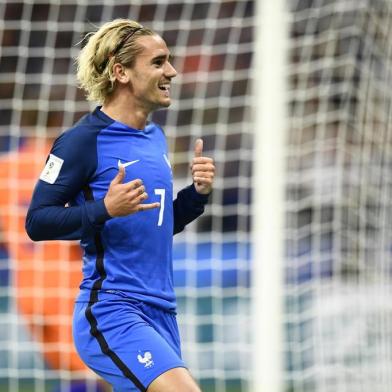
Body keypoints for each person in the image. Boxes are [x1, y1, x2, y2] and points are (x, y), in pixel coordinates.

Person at [25, 19, 215, 392]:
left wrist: (196, 195)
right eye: (159, 62)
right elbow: (37, 221)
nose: (172, 72)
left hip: (162, 313)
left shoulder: (155, 137)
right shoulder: (80, 142)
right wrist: (104, 209)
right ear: (121, 72)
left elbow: (156, 224)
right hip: (113, 309)